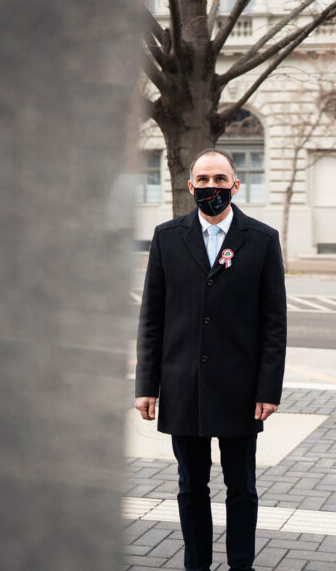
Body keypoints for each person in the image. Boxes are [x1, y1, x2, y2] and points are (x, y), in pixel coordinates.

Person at [134, 149, 286, 571]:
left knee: (242, 488)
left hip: (240, 390)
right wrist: (147, 385)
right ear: (190, 186)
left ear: (236, 186)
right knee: (190, 487)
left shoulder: (261, 239)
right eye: (203, 180)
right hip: (182, 385)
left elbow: (274, 323)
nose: (212, 187)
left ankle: (241, 565)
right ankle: (196, 565)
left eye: (221, 179)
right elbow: (152, 317)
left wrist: (268, 389)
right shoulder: (167, 237)